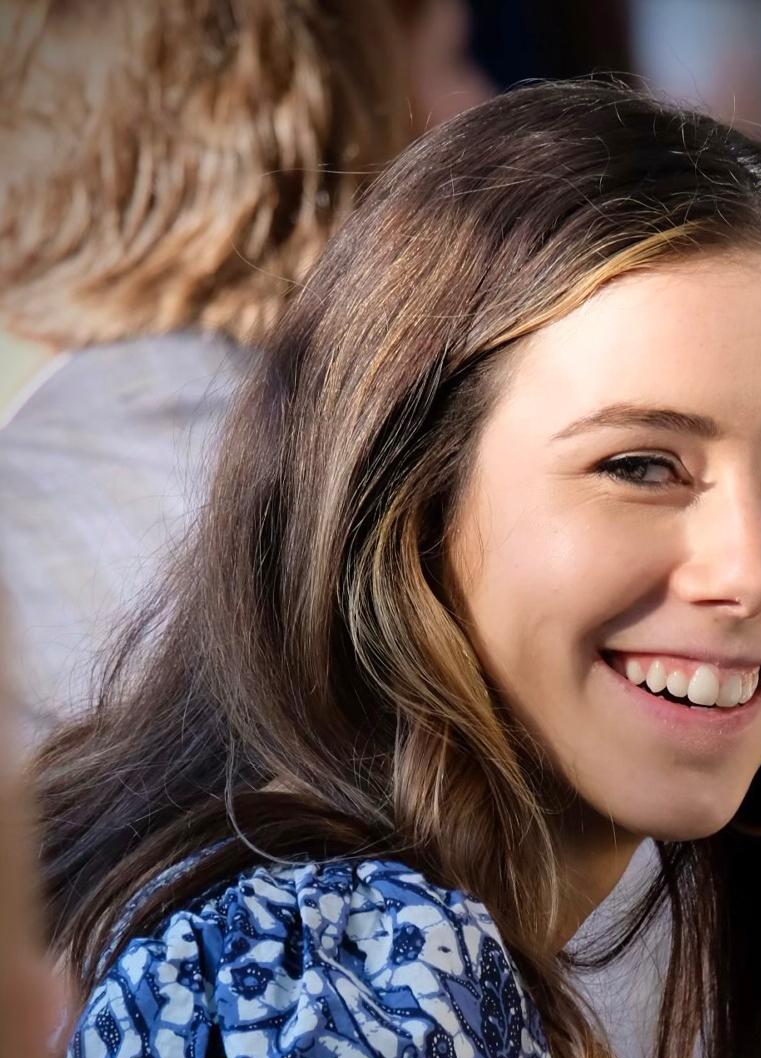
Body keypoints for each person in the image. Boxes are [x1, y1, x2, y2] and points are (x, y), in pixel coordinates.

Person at [34, 80, 761, 1058]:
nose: (750, 574)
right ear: (406, 496)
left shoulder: (293, 907)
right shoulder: (361, 964)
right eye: (641, 466)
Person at [0, 0, 491, 743]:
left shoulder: (56, 453)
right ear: (343, 117)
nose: (479, 101)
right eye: (448, 60)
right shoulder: (367, 473)